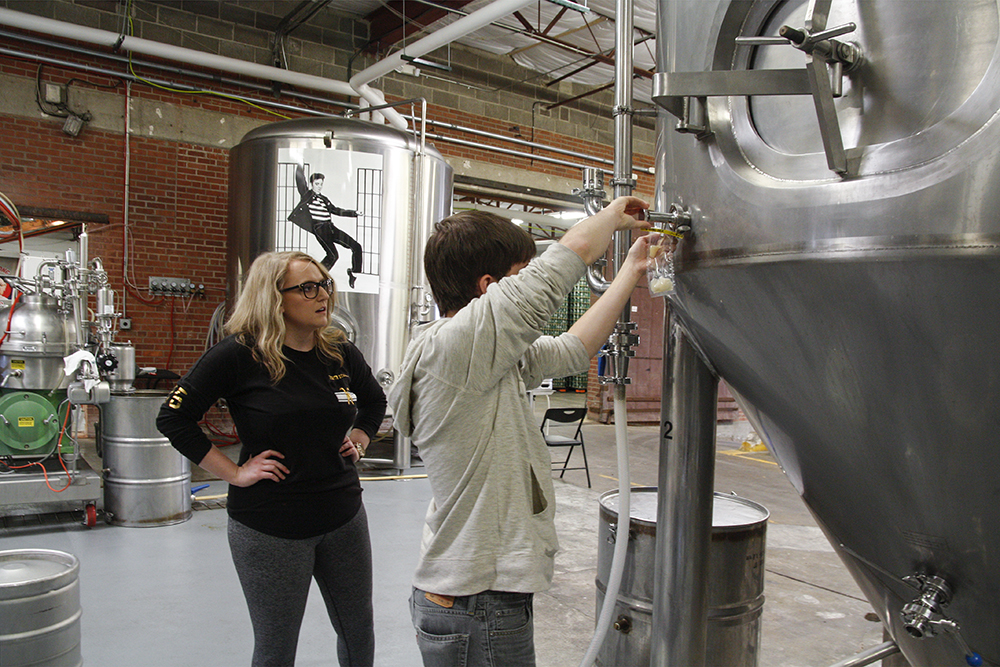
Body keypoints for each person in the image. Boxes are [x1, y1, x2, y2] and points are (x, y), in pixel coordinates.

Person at [387, 196, 651, 666]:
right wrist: (614, 215)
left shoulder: (486, 357)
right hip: (477, 598)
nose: (529, 286)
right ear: (489, 287)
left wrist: (630, 270)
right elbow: (561, 264)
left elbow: (573, 348)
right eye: (519, 275)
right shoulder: (455, 349)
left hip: (479, 593)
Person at [156, 251, 386, 667]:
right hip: (271, 527)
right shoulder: (238, 355)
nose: (324, 296)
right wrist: (235, 473)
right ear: (274, 298)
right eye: (308, 288)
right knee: (277, 648)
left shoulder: (338, 351)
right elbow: (174, 417)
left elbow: (374, 401)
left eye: (325, 285)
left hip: (343, 515)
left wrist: (360, 437)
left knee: (358, 630)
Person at [288, 166, 364, 288]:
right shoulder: (307, 195)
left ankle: (353, 273)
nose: (319, 186)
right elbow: (300, 182)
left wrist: (354, 213)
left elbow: (336, 210)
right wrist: (299, 165)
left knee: (356, 246)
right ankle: (314, 279)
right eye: (317, 184)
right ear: (312, 184)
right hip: (320, 229)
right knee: (333, 256)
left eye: (321, 184)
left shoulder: (324, 199)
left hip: (331, 227)